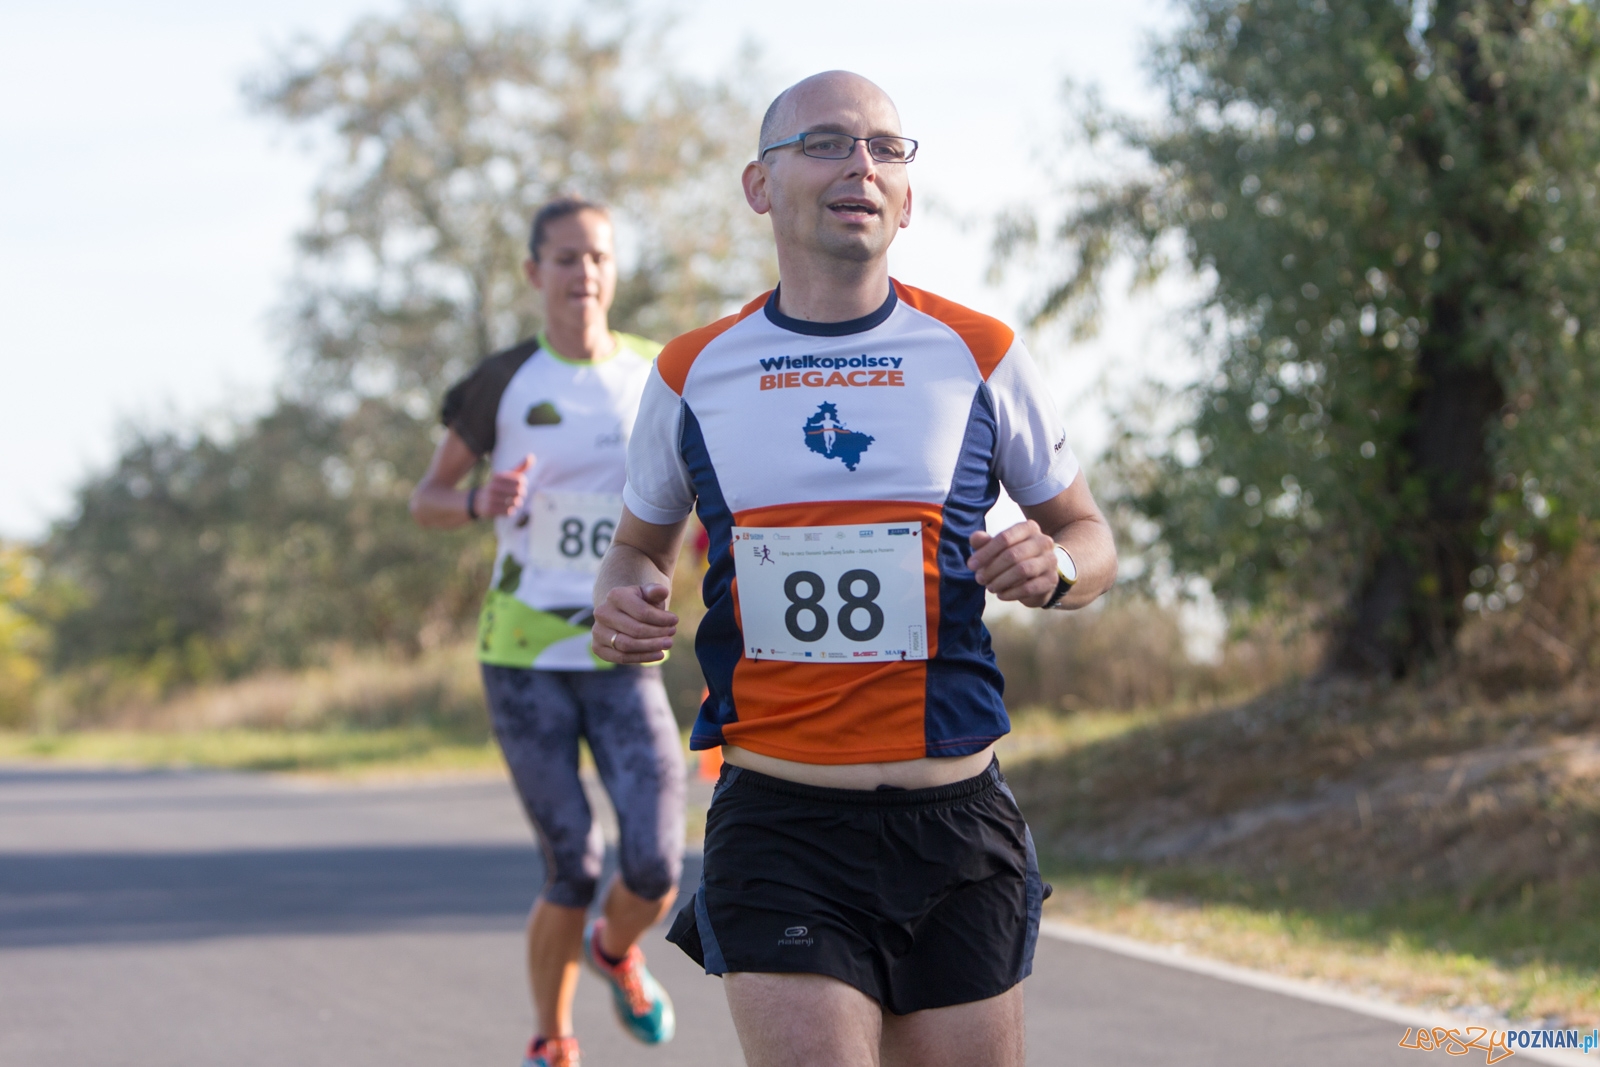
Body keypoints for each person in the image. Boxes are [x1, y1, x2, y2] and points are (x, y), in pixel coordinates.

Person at [591, 71, 1117, 1067]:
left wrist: (1052, 567)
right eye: (827, 143)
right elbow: (634, 547)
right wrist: (621, 597)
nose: (861, 166)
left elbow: (1091, 535)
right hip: (782, 820)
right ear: (760, 185)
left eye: (885, 148)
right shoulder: (691, 371)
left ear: (907, 197)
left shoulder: (980, 352)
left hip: (956, 822)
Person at [410, 197, 685, 1067]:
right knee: (573, 860)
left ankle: (614, 949)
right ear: (535, 273)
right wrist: (476, 501)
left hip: (621, 651)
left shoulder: (660, 371)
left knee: (655, 865)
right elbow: (426, 499)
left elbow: (691, 492)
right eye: (565, 259)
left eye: (598, 257)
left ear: (615, 270)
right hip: (523, 655)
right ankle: (553, 1039)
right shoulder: (503, 381)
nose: (584, 274)